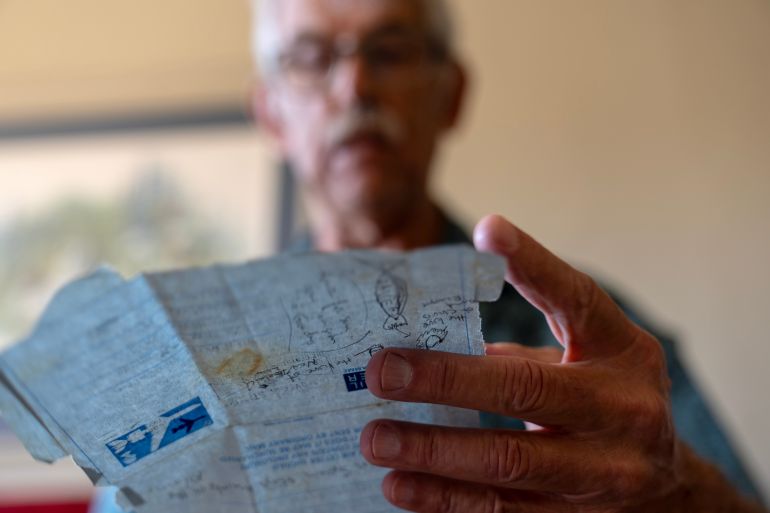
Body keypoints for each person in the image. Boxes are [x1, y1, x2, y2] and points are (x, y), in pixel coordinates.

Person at [93, 0, 765, 511]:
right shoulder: (194, 360)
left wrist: (675, 487)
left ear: (452, 94)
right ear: (270, 114)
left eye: (390, 50)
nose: (354, 85)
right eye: (311, 57)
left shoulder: (592, 342)